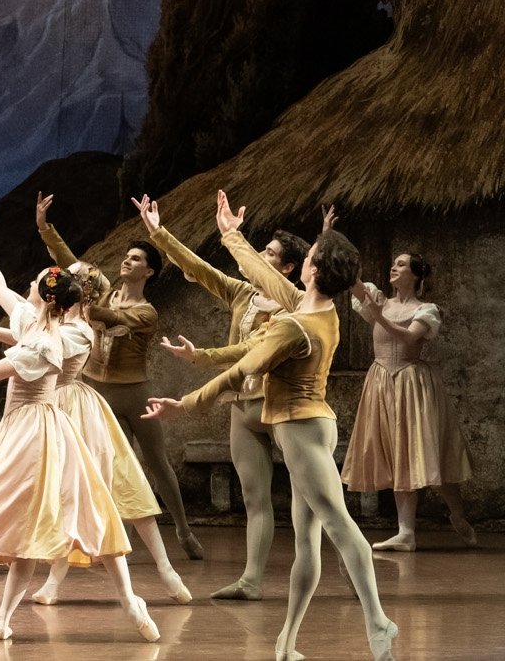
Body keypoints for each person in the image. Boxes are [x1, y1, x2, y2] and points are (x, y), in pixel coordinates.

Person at [148, 191, 399, 661]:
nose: (301, 262)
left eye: (310, 255)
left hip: (301, 431)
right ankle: (286, 643)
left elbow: (241, 371)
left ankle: (377, 620)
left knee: (339, 527)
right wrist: (231, 236)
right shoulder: (313, 306)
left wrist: (184, 403)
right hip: (309, 425)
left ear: (312, 270)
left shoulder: (293, 325)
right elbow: (259, 274)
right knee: (306, 544)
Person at [0, 212, 157, 645]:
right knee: (32, 522)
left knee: (86, 511)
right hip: (27, 426)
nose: (26, 288)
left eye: (34, 285)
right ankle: (4, 615)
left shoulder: (65, 336)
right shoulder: (40, 323)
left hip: (45, 428)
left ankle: (129, 600)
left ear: (49, 297)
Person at [134, 192, 309, 599]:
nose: (258, 256)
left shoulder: (294, 310)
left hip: (280, 406)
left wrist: (200, 356)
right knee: (254, 497)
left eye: (269, 253)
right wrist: (159, 234)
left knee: (313, 500)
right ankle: (251, 581)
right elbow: (200, 269)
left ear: (287, 269)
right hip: (242, 407)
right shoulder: (244, 294)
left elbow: (249, 352)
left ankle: (350, 573)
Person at [35, 192, 202, 560]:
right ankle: (114, 538)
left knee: (157, 462)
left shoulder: (146, 312)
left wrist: (85, 303)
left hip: (135, 393)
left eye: (137, 258)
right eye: (127, 256)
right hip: (99, 391)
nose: (128, 260)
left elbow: (113, 318)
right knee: (110, 465)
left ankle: (183, 529)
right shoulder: (106, 294)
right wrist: (46, 229)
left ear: (150, 271)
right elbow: (74, 265)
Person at [342, 253, 476, 550]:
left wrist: (378, 317)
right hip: (381, 381)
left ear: (415, 275)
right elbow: (350, 280)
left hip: (412, 383)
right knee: (397, 455)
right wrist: (328, 240)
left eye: (401, 264)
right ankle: (406, 533)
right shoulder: (379, 299)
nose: (394, 266)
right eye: (393, 263)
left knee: (430, 456)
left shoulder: (426, 310)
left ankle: (457, 513)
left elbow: (408, 338)